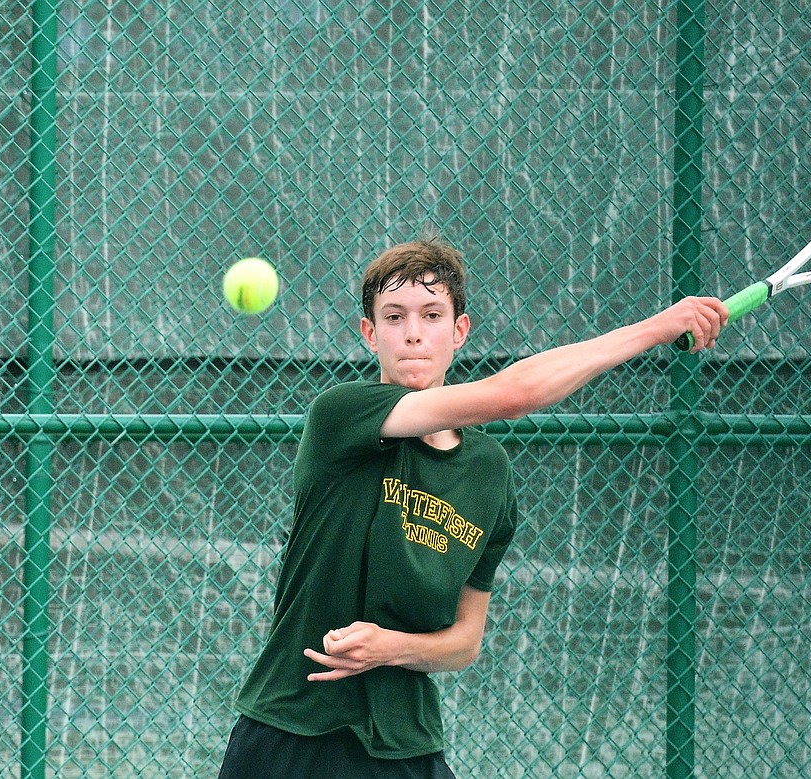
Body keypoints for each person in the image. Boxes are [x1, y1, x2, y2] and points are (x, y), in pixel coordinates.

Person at [218, 235, 728, 778]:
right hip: (289, 732)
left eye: (431, 314)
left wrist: (389, 648)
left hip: (404, 744)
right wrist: (656, 328)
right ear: (370, 334)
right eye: (394, 316)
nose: (413, 332)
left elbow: (464, 643)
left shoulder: (488, 473)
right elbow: (515, 395)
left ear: (459, 331)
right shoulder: (341, 416)